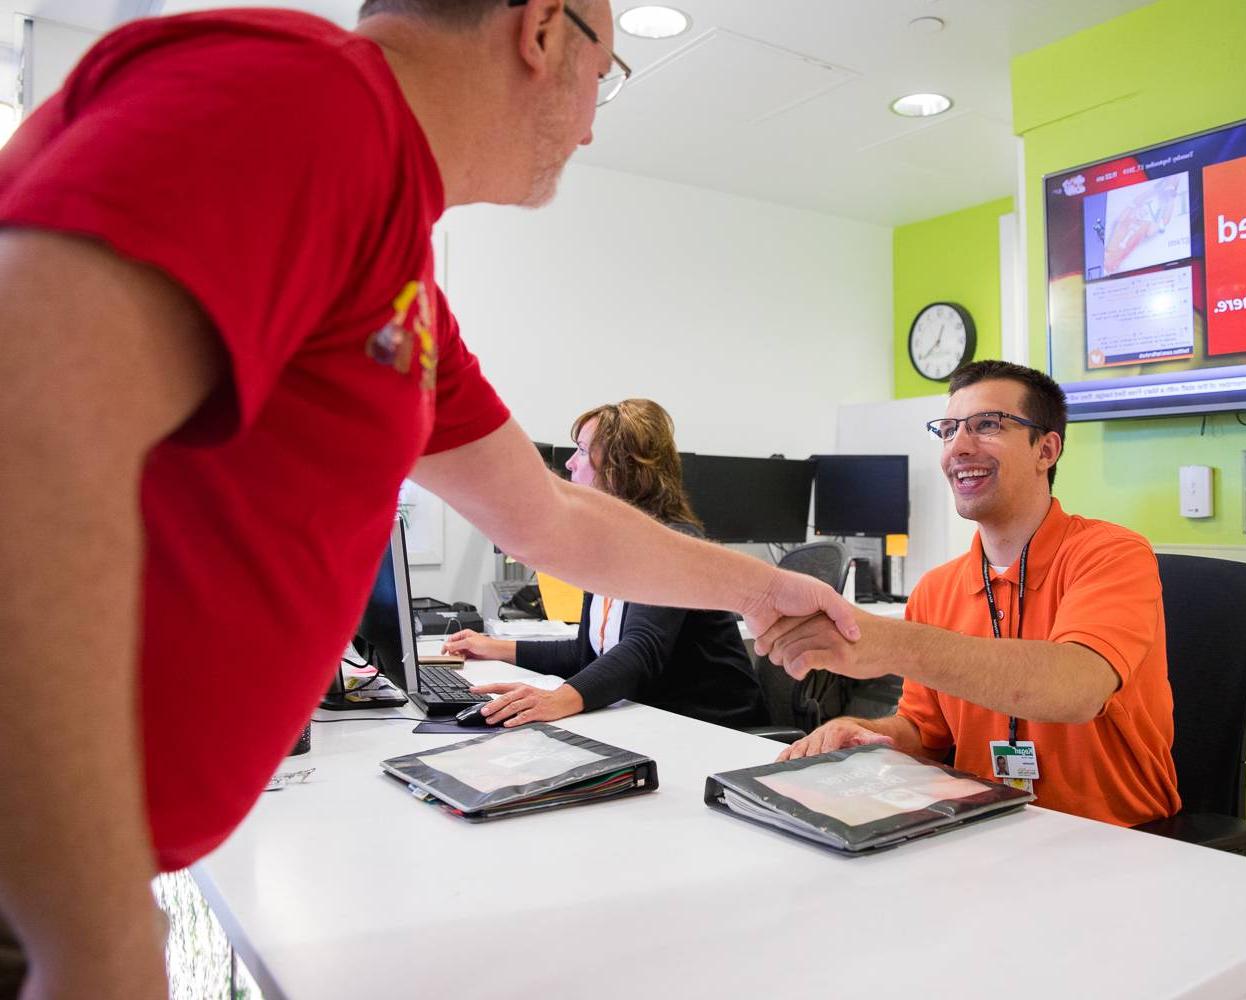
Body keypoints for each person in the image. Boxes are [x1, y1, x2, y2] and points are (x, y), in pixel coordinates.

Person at [0, 2, 856, 995]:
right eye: (604, 77)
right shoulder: (303, 101)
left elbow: (550, 514)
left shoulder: (393, 262)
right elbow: (25, 442)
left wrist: (756, 587)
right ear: (541, 32)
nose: (589, 126)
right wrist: (97, 935)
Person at [760, 360, 1180, 827]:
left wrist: (888, 643)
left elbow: (1076, 690)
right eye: (946, 430)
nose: (958, 446)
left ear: (1046, 449)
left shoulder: (1111, 554)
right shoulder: (937, 589)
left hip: (1117, 840)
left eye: (987, 425)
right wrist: (867, 732)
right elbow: (925, 733)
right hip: (987, 829)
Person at [442, 399, 768, 728]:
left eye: (582, 451)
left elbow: (641, 649)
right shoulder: (607, 546)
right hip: (654, 717)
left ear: (621, 467)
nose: (570, 463)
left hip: (715, 730)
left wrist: (558, 699)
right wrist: (495, 648)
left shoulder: (669, 542)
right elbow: (586, 653)